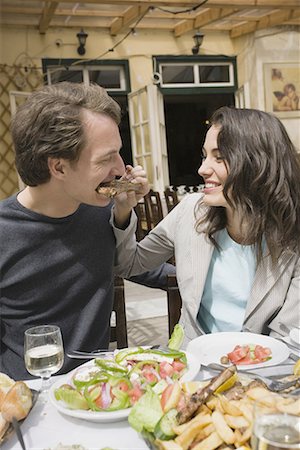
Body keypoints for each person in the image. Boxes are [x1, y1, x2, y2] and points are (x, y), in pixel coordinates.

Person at [0, 82, 175, 380]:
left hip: (97, 388)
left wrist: (208, 277)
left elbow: (133, 266)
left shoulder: (102, 211)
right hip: (27, 398)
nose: (121, 169)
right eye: (106, 158)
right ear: (58, 167)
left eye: (119, 154)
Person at [115, 107, 300, 346]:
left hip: (262, 371)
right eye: (205, 156)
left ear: (258, 165)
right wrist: (122, 209)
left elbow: (286, 337)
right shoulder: (190, 212)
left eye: (219, 157)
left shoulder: (292, 236)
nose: (202, 169)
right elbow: (129, 264)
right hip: (191, 365)